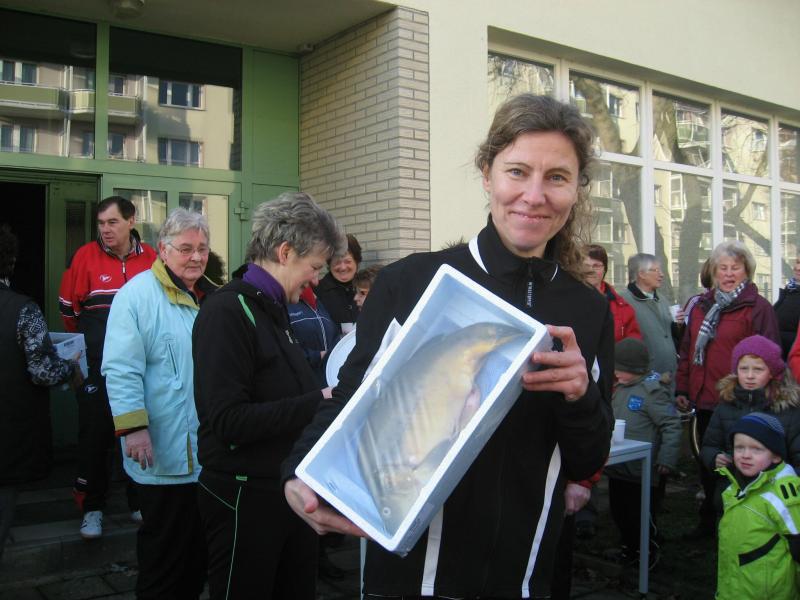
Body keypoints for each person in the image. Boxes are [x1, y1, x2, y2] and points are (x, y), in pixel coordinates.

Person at [283, 94, 614, 599]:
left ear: (576, 189)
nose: (534, 195)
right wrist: (301, 470)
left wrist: (581, 396)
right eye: (517, 171)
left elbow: (589, 455)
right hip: (410, 575)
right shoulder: (411, 282)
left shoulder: (588, 309)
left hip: (523, 575)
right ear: (487, 174)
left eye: (556, 177)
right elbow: (352, 397)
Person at [192, 192, 345, 600]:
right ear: (285, 252)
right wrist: (322, 398)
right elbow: (228, 422)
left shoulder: (275, 311)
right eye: (314, 267)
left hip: (284, 491)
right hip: (244, 496)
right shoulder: (226, 312)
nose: (316, 279)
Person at [102, 209, 213, 599]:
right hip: (163, 454)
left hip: (207, 455)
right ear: (163, 250)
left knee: (197, 558)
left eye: (202, 248)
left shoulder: (213, 296)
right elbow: (120, 369)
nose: (196, 257)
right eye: (186, 248)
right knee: (164, 558)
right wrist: (134, 429)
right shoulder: (136, 296)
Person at [58, 195, 155, 538]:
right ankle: (92, 508)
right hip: (97, 368)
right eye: (101, 224)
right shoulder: (84, 257)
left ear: (131, 221)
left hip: (143, 369)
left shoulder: (153, 259)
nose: (105, 229)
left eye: (112, 222)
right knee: (95, 436)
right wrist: (96, 346)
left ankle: (138, 500)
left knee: (139, 431)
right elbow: (69, 313)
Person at [676, 239, 780, 539]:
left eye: (736, 268)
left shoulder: (757, 308)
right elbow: (688, 350)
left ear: (747, 271)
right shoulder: (701, 306)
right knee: (709, 463)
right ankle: (709, 522)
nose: (729, 273)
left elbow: (770, 355)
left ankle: (744, 525)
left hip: (741, 402)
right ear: (713, 271)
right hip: (705, 399)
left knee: (743, 465)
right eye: (723, 268)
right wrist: (682, 388)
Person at [0, 225, 83, 561]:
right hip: (8, 429)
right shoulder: (22, 309)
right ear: (10, 261)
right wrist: (71, 367)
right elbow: (42, 370)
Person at [604, 338, 682, 568]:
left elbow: (671, 425)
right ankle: (629, 549)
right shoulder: (620, 389)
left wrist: (667, 459)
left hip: (643, 471)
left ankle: (649, 552)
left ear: (635, 369)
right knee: (620, 512)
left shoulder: (653, 392)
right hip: (620, 468)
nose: (615, 373)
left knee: (641, 515)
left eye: (620, 369)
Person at [700, 336, 800, 512]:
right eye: (743, 368)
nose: (749, 375)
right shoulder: (726, 406)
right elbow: (709, 445)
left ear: (772, 372)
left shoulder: (789, 411)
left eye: (758, 369)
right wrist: (714, 458)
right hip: (731, 495)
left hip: (776, 500)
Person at [716, 413, 800, 600]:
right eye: (739, 447)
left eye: (757, 449)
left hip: (769, 592)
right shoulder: (733, 487)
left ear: (776, 456)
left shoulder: (783, 495)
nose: (745, 455)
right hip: (732, 587)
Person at [619, 254, 678, 387]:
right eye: (656, 270)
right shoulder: (624, 302)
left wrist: (679, 325)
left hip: (669, 379)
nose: (661, 274)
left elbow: (670, 336)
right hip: (643, 381)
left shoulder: (662, 300)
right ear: (641, 274)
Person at [583, 244, 641, 342]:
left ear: (605, 269)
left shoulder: (622, 307)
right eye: (586, 266)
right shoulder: (567, 302)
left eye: (596, 266)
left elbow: (633, 343)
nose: (590, 270)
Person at [288, 286, 339, 388]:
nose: (316, 281)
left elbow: (334, 335)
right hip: (302, 383)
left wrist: (336, 352)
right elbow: (283, 348)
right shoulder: (283, 303)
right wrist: (316, 356)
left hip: (330, 378)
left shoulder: (318, 301)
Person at [315, 233, 361, 332]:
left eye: (348, 261)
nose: (343, 267)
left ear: (357, 262)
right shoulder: (317, 291)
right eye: (337, 262)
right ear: (329, 264)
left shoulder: (368, 288)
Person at [775, 255, 800, 360]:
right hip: (780, 351)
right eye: (797, 262)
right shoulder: (790, 289)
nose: (798, 267)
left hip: (794, 356)